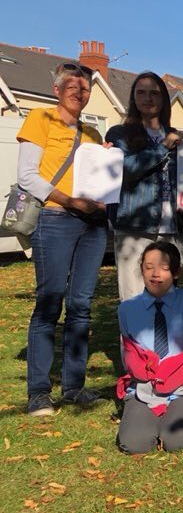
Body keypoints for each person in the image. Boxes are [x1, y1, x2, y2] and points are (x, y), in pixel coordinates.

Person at [17, 63, 107, 415]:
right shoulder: (40, 119)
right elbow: (27, 176)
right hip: (55, 219)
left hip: (92, 225)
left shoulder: (93, 133)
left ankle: (74, 387)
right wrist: (69, 201)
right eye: (72, 87)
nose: (79, 93)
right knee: (49, 303)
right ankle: (39, 392)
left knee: (81, 305)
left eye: (84, 89)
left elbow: (100, 179)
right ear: (57, 89)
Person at [116, 242, 183, 453]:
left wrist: (176, 375)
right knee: (135, 444)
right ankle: (152, 420)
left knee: (177, 441)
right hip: (145, 386)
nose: (155, 274)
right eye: (148, 266)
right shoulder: (127, 309)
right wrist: (144, 373)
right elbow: (130, 352)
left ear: (176, 271)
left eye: (163, 267)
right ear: (141, 269)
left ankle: (181, 418)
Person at [108, 72, 183, 300]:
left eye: (154, 93)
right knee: (133, 298)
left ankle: (165, 338)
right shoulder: (119, 134)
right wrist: (163, 147)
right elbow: (126, 169)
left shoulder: (176, 136)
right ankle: (133, 338)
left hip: (171, 228)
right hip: (135, 227)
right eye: (141, 92)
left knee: (169, 299)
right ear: (133, 98)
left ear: (163, 100)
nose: (148, 98)